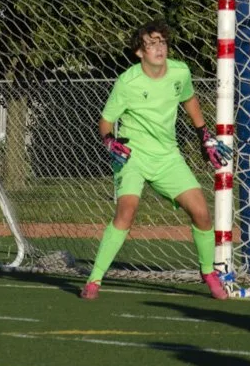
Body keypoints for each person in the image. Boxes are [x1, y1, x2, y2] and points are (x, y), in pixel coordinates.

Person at [81, 20, 230, 301]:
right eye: (151, 43)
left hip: (167, 156)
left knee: (201, 212)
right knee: (127, 212)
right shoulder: (127, 82)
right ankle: (94, 280)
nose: (159, 47)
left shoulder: (180, 71)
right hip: (133, 157)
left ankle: (209, 273)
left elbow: (189, 99)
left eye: (162, 41)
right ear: (140, 52)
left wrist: (204, 134)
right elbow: (106, 121)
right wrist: (109, 141)